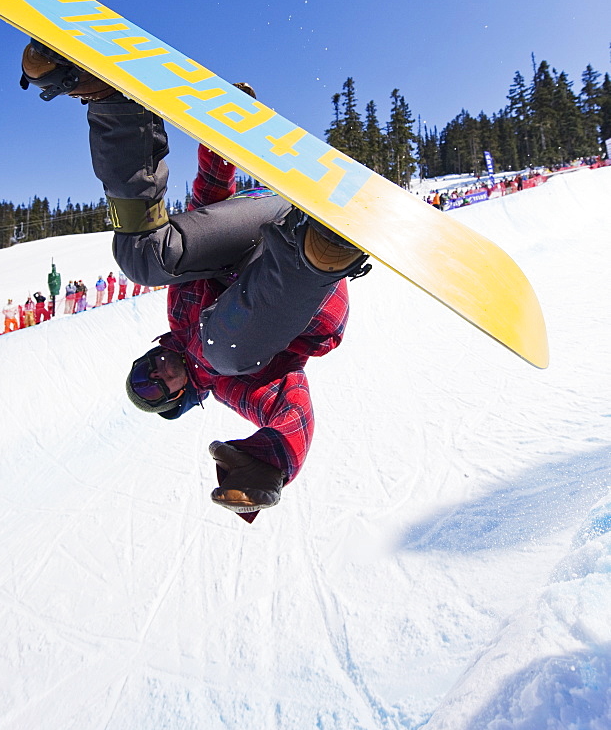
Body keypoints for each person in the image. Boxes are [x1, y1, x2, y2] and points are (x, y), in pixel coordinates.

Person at [20, 41, 370, 521]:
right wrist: (267, 465)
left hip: (269, 220)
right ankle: (322, 249)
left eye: (144, 370)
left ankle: (114, 102)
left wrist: (220, 146)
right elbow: (292, 411)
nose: (155, 373)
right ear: (181, 397)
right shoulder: (231, 385)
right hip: (309, 282)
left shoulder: (179, 315)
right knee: (221, 353)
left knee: (144, 259)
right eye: (155, 388)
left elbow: (206, 215)